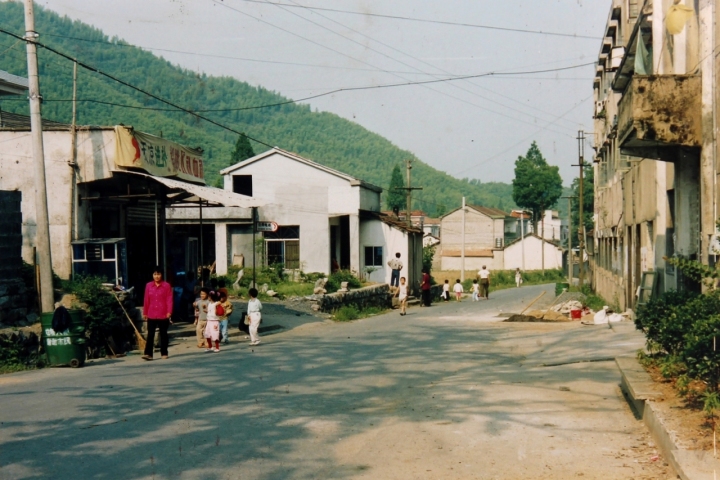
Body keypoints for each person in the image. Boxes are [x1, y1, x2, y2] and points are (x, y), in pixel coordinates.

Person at [142, 267, 173, 361]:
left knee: (163, 334)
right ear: (152, 275)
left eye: (158, 274)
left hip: (163, 313)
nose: (157, 276)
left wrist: (169, 312)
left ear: (162, 275)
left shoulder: (166, 286)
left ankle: (164, 352)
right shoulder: (148, 286)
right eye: (155, 274)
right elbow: (146, 299)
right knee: (150, 334)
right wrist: (145, 312)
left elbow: (169, 299)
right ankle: (148, 354)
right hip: (151, 313)